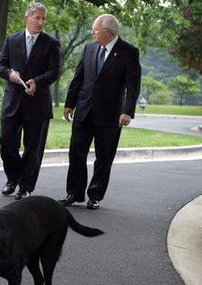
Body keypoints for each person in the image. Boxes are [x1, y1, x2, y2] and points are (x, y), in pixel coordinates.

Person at [58, 14, 141, 210]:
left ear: (108, 32)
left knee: (104, 157)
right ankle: (74, 192)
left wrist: (127, 111)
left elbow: (133, 85)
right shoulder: (89, 48)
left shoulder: (128, 52)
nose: (92, 32)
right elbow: (78, 78)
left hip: (110, 115)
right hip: (84, 111)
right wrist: (70, 103)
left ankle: (95, 195)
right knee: (76, 153)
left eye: (95, 29)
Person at [0, 2, 61, 200]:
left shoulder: (51, 43)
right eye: (37, 18)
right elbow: (0, 66)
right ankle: (12, 178)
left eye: (43, 19)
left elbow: (54, 72)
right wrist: (10, 75)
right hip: (12, 102)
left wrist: (37, 82)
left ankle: (26, 186)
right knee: (6, 143)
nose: (41, 22)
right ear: (27, 18)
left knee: (33, 149)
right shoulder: (11, 40)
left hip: (37, 103)